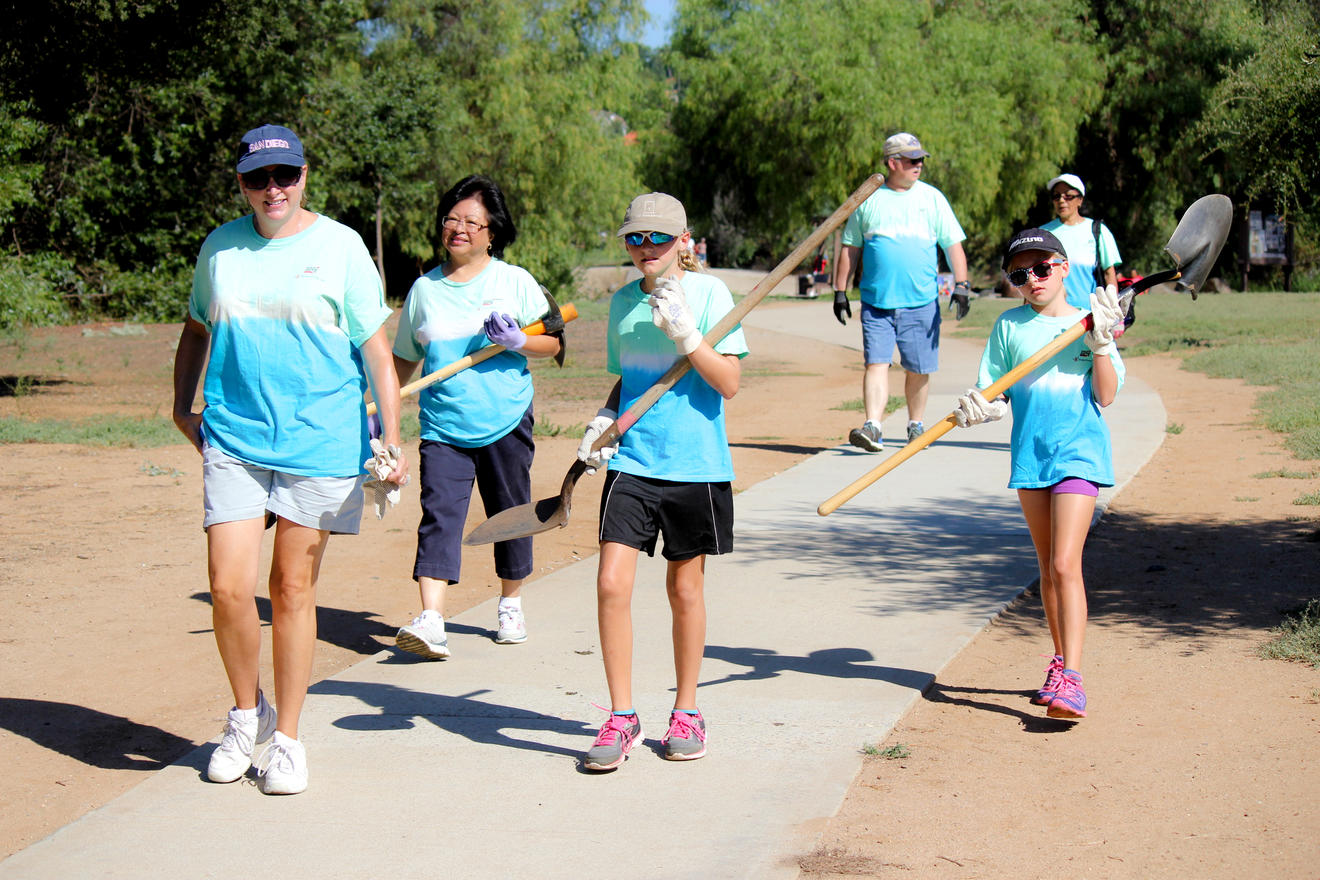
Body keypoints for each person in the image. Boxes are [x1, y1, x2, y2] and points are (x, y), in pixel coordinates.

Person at [173, 124, 408, 795]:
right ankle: (247, 714)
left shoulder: (340, 248)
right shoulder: (220, 248)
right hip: (236, 437)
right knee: (226, 587)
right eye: (257, 178)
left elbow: (377, 351)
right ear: (241, 182)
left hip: (320, 442)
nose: (272, 190)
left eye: (285, 176)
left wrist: (392, 435)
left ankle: (290, 741)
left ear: (305, 174)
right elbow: (196, 329)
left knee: (291, 589)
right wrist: (179, 405)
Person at [574, 192, 747, 771]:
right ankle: (622, 716)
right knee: (610, 584)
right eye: (635, 239)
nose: (645, 249)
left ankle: (687, 710)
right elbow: (627, 385)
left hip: (696, 464)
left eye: (658, 239)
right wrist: (603, 419)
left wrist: (689, 336)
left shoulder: (712, 295)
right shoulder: (623, 303)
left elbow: (728, 383)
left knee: (685, 591)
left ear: (683, 241)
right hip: (634, 463)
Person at [952, 227, 1125, 720]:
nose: (1032, 279)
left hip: (1079, 454)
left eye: (1042, 268)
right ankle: (1058, 660)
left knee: (1067, 564)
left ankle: (1073, 678)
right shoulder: (1010, 327)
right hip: (1030, 458)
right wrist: (980, 407)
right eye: (1019, 273)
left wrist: (1100, 344)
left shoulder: (1092, 322)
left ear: (1065, 267)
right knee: (1048, 568)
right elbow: (993, 391)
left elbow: (1107, 395)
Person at [391, 175, 562, 660]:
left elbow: (553, 341)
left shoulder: (514, 282)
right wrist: (384, 406)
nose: (459, 229)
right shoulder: (423, 290)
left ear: (492, 232)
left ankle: (510, 603)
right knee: (439, 514)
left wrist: (518, 342)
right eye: (451, 219)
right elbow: (404, 358)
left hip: (506, 417)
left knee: (510, 512)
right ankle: (432, 619)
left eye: (472, 222)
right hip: (444, 424)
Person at [831, 132, 969, 452]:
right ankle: (874, 426)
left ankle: (915, 425)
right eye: (912, 160)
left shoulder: (932, 198)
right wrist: (840, 291)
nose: (919, 165)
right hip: (876, 302)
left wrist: (961, 286)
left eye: (920, 159)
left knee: (918, 368)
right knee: (875, 363)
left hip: (921, 302)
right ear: (893, 163)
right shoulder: (867, 201)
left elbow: (953, 245)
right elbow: (850, 249)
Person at [1041, 173, 1122, 311]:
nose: (1061, 200)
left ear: (1080, 200)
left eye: (1068, 196)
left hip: (1091, 315)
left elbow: (1109, 274)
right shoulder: (1043, 233)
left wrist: (1114, 312)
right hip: (1051, 314)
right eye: (1056, 196)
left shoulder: (1098, 231)